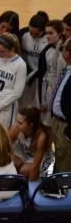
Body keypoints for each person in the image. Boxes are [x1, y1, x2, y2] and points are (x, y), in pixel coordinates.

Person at [0, 32, 27, 129]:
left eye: (2, 51)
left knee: (1, 140)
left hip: (6, 108)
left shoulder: (20, 65)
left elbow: (17, 93)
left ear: (12, 49)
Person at [9, 108, 54, 181]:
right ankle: (17, 184)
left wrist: (31, 188)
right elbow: (4, 149)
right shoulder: (15, 129)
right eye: (16, 121)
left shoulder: (40, 137)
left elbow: (35, 167)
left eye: (20, 123)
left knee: (24, 171)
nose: (16, 125)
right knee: (10, 162)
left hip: (39, 158)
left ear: (30, 125)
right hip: (24, 153)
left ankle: (28, 187)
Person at [19, 11, 49, 109]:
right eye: (30, 32)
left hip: (41, 77)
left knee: (38, 108)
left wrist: (33, 75)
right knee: (22, 106)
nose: (32, 35)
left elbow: (45, 66)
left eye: (36, 34)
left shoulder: (47, 40)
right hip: (25, 74)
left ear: (43, 30)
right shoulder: (23, 34)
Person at [36, 20, 63, 126]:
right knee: (47, 126)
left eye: (51, 33)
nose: (47, 36)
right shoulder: (45, 52)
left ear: (61, 33)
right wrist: (42, 101)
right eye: (46, 33)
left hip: (63, 93)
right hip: (50, 93)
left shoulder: (66, 50)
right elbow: (42, 78)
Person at [51, 39, 71, 172]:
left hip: (66, 126)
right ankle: (56, 189)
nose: (60, 50)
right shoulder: (67, 70)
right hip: (57, 121)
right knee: (58, 157)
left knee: (65, 164)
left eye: (63, 48)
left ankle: (64, 191)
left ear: (68, 53)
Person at [56, 12, 71, 78]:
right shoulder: (60, 43)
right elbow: (54, 69)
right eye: (63, 28)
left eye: (68, 29)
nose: (64, 32)